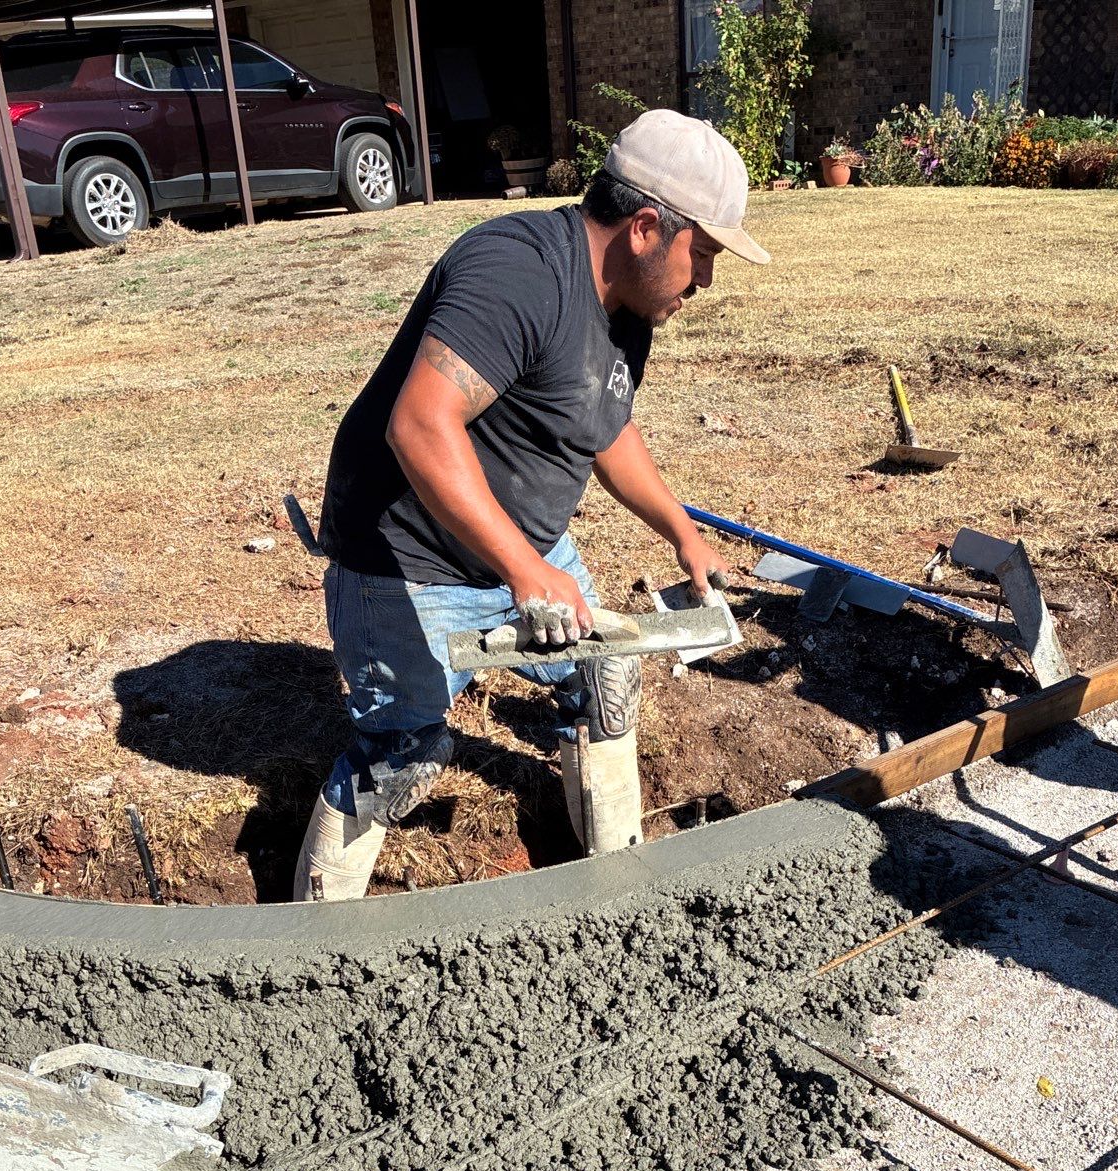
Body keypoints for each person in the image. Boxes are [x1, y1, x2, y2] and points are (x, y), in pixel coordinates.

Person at [294, 108, 769, 901]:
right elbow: (419, 425)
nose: (707, 281)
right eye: (704, 254)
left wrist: (682, 533)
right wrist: (523, 569)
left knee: (606, 682)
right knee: (400, 760)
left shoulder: (628, 307)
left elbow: (603, 423)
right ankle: (311, 933)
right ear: (646, 229)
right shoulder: (518, 271)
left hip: (525, 550)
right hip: (406, 562)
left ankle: (616, 889)